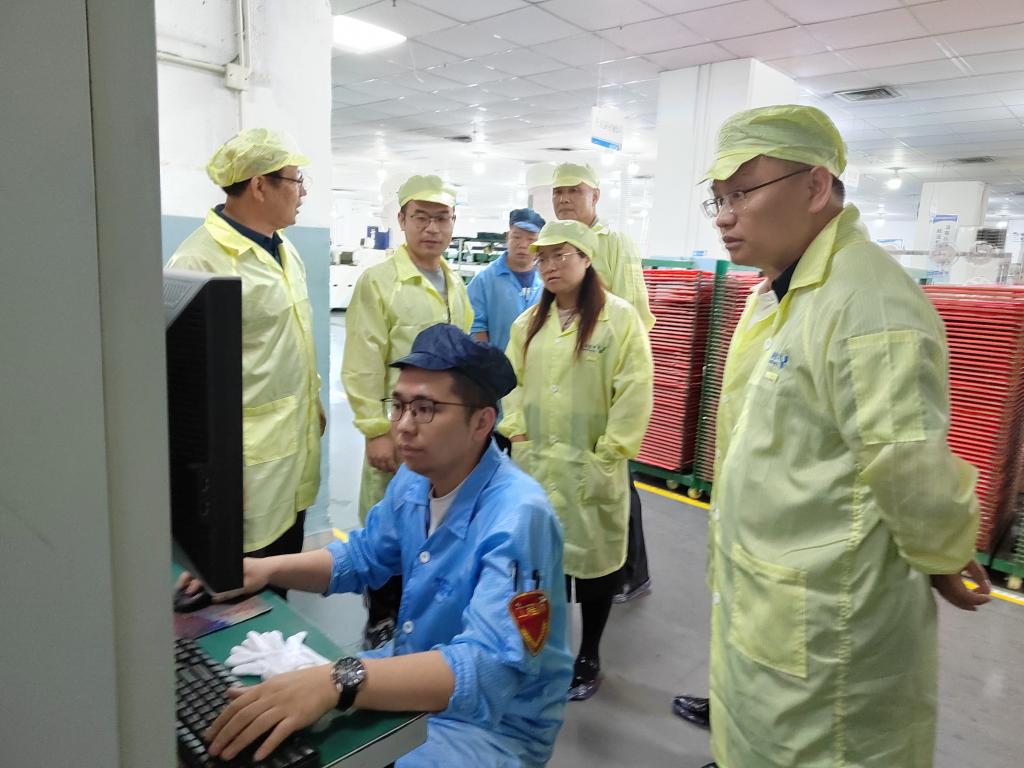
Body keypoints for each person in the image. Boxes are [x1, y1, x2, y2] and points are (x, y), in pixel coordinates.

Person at [677, 105, 989, 768]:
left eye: (741, 194)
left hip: (828, 613)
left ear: (815, 186)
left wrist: (944, 553)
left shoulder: (868, 302)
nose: (724, 216)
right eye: (718, 199)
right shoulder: (777, 294)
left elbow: (909, 464)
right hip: (772, 592)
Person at [181, 324, 572, 767]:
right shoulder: (416, 478)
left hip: (490, 724)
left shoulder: (518, 517)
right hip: (413, 664)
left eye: (425, 409)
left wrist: (338, 681)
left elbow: (489, 671)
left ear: (481, 422)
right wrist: (265, 569)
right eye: (399, 406)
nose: (403, 426)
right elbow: (363, 556)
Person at [501, 220, 653, 701]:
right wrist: (517, 429)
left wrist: (610, 453)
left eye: (561, 255)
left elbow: (635, 390)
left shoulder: (619, 319)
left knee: (595, 568)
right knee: (542, 567)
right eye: (543, 257)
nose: (549, 265)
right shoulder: (527, 324)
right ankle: (545, 650)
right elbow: (511, 383)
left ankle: (589, 655)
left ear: (587, 259)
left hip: (592, 465)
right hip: (538, 463)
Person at [166, 128, 324, 576]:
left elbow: (291, 336)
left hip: (294, 448)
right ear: (259, 185)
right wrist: (216, 471)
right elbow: (186, 391)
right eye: (295, 181)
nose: (303, 193)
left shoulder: (284, 248)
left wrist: (312, 397)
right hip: (247, 464)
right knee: (244, 580)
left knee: (285, 562)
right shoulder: (199, 260)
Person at [343, 174, 472, 649]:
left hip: (444, 434)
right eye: (421, 217)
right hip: (398, 429)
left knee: (431, 525)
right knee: (388, 525)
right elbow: (362, 361)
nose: (432, 228)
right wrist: (375, 429)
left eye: (442, 218)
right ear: (401, 220)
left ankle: (420, 620)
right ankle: (380, 616)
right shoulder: (380, 282)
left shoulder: (455, 283)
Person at [552, 162, 654, 604]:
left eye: (573, 191)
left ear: (595, 196)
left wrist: (619, 387)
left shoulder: (616, 244)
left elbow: (636, 317)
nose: (563, 199)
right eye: (557, 192)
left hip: (604, 384)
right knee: (577, 483)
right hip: (567, 383)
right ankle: (584, 568)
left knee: (614, 480)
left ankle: (632, 572)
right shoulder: (556, 244)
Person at [468, 208, 546, 355]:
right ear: (507, 236)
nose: (523, 245)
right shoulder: (484, 280)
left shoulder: (547, 279)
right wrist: (489, 363)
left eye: (531, 240)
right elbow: (476, 328)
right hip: (497, 364)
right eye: (517, 237)